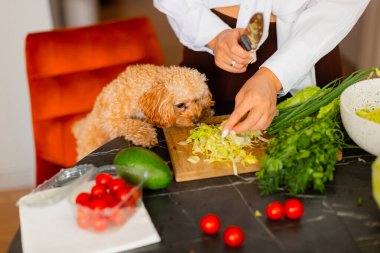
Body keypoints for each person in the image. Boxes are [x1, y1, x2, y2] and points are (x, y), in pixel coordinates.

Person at [153, 0, 370, 135]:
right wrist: (213, 35)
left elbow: (342, 5)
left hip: (311, 43)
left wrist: (274, 76)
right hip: (216, 43)